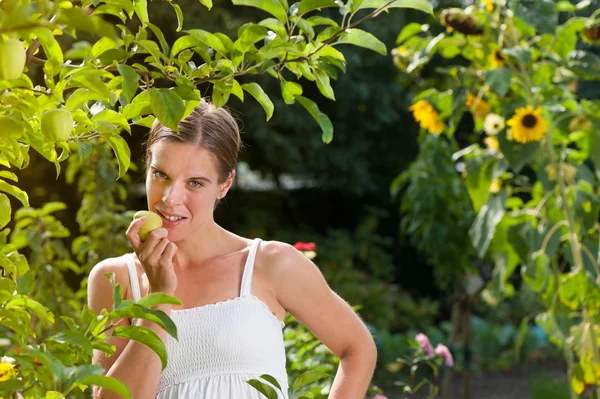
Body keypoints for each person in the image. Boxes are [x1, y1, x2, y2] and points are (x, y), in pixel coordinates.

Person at [87, 99, 378, 399]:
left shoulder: (271, 264)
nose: (171, 199)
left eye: (195, 183)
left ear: (225, 185)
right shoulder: (115, 280)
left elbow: (357, 348)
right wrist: (159, 298)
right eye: (161, 175)